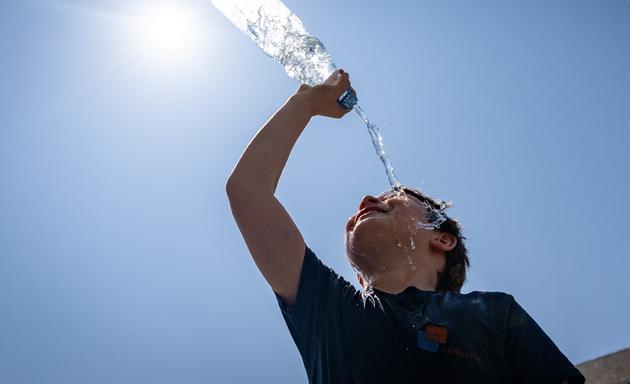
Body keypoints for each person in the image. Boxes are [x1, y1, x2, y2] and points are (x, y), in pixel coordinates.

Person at [226, 70, 585, 383]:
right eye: (357, 213)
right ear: (359, 276)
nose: (365, 200)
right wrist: (305, 102)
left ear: (442, 239)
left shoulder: (494, 313)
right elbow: (248, 191)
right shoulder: (330, 312)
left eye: (393, 196)